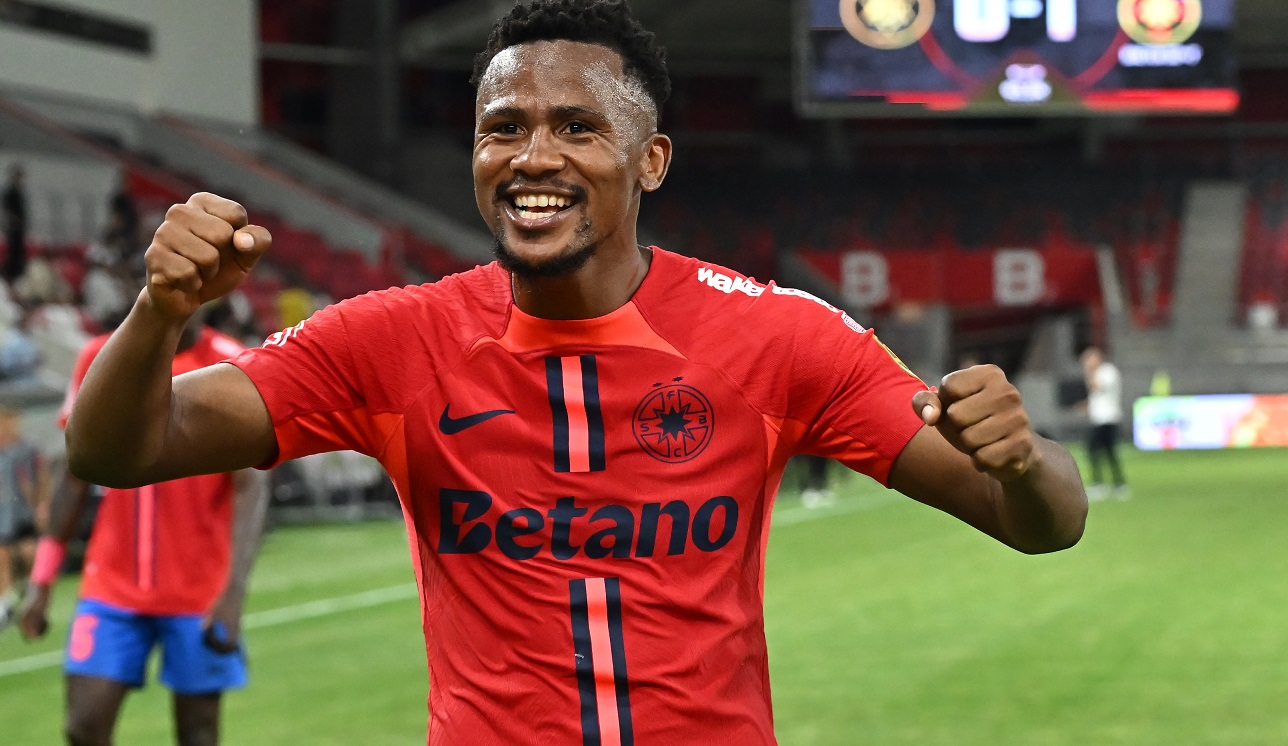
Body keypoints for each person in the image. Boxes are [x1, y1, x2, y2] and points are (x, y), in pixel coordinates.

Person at [62, 1, 1088, 743]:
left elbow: (1043, 522)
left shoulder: (778, 337)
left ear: (651, 160)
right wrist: (160, 311)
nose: (532, 156)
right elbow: (118, 450)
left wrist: (1020, 461)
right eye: (503, 128)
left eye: (577, 126)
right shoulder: (390, 341)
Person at [19, 318, 270, 746]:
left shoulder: (230, 361)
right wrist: (42, 579)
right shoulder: (101, 356)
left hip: (198, 592)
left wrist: (232, 593)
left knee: (198, 734)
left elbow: (251, 485)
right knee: (82, 727)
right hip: (111, 586)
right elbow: (74, 474)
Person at [0, 401, 49, 630]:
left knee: (31, 552)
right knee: (3, 554)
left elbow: (40, 478)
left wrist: (41, 505)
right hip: (4, 513)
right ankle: (5, 602)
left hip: (24, 511)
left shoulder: (27, 449)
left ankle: (32, 594)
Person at [1080, 346, 1129, 500]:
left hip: (1108, 419)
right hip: (1097, 419)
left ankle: (1116, 484)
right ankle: (1103, 483)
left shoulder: (1108, 371)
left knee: (1107, 452)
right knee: (1096, 452)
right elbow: (1097, 397)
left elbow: (1097, 387)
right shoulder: (1100, 372)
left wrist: (1090, 372)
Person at [2, 165, 28, 283]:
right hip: (14, 226)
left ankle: (17, 273)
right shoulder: (11, 191)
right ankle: (12, 273)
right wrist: (12, 220)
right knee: (14, 251)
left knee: (18, 251)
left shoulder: (19, 192)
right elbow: (6, 206)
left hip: (19, 227)